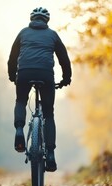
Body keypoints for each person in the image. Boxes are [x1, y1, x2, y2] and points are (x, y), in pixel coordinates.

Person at [7, 7, 72, 172]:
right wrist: (66, 78)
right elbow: (64, 59)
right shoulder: (52, 35)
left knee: (21, 100)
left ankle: (20, 130)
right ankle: (50, 154)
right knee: (48, 114)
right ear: (46, 21)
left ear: (32, 19)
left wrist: (12, 76)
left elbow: (12, 57)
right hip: (45, 74)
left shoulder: (23, 33)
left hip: (24, 72)